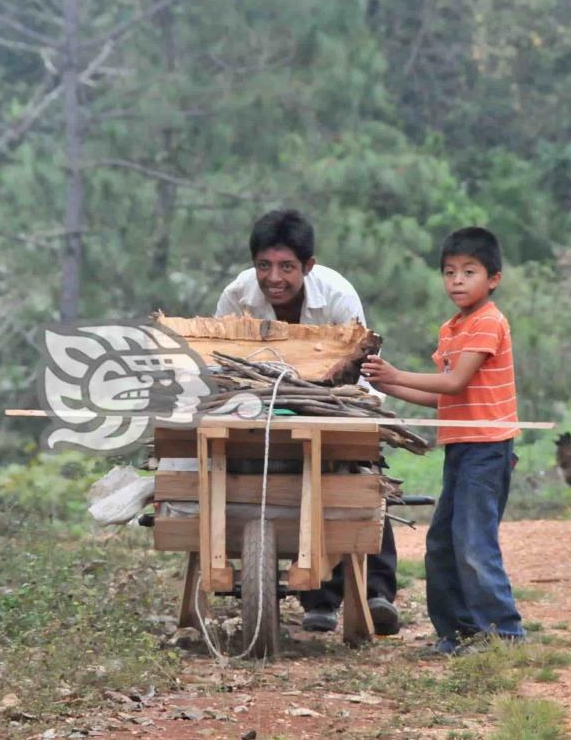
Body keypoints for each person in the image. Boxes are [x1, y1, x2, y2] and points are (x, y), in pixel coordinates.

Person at [215, 209, 401, 635]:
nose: (273, 278)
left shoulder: (336, 295)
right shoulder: (238, 295)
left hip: (332, 401)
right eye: (264, 266)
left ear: (309, 266)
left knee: (359, 472)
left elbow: (356, 363)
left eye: (287, 267)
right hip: (260, 407)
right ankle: (318, 597)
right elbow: (219, 364)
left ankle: (376, 590)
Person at [361, 226, 524, 655]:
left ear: (494, 279)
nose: (457, 280)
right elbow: (440, 396)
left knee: (474, 544)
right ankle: (458, 633)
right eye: (449, 271)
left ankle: (504, 633)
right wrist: (387, 386)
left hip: (487, 450)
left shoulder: (488, 322)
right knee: (442, 544)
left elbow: (454, 381)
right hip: (461, 447)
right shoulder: (453, 327)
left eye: (469, 271)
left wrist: (396, 374)